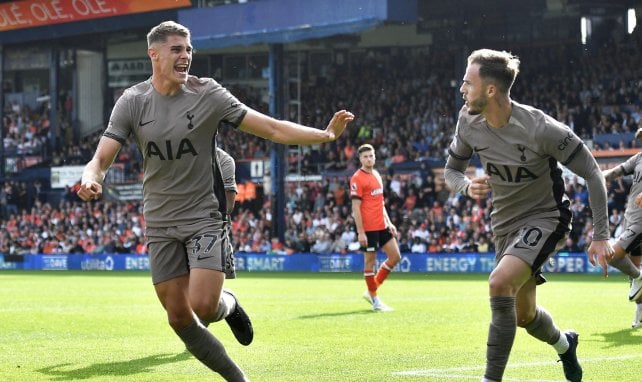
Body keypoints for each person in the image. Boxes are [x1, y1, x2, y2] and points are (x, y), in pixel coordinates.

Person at [76, 20, 354, 381]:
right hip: (160, 221)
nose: (186, 56)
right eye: (177, 49)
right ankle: (236, 363)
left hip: (204, 215)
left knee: (203, 307)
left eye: (188, 49)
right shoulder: (132, 101)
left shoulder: (208, 94)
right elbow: (101, 159)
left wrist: (325, 135)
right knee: (180, 319)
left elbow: (270, 127)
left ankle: (229, 308)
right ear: (154, 54)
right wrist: (90, 179)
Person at [444, 48, 614, 382]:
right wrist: (466, 186)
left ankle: (490, 379)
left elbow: (592, 172)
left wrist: (601, 235)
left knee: (498, 283)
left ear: (490, 89)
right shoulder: (468, 121)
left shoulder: (540, 128)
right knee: (523, 316)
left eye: (467, 82)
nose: (462, 89)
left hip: (546, 216)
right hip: (503, 225)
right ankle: (566, 344)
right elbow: (451, 170)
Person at [350, 144, 401, 312]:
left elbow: (381, 203)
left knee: (395, 257)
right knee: (369, 263)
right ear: (360, 159)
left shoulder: (377, 175)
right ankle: (375, 301)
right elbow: (356, 207)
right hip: (369, 227)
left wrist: (389, 222)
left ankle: (372, 290)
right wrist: (361, 232)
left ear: (375, 157)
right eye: (365, 157)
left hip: (382, 224)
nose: (369, 159)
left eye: (371, 156)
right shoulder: (357, 178)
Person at [602, 129, 642, 329]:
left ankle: (640, 277)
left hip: (640, 222)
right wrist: (601, 176)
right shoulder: (639, 158)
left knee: (612, 255)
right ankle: (641, 314)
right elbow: (618, 170)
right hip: (631, 217)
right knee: (633, 270)